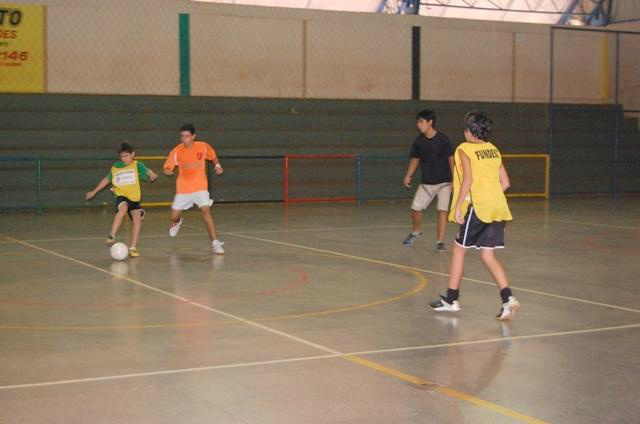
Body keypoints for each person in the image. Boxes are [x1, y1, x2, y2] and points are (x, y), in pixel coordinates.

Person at [430, 111, 520, 320]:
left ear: (470, 132)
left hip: (478, 208)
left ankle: (452, 299)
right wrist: (491, 195)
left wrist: (460, 206)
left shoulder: (464, 149)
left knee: (459, 250)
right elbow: (506, 183)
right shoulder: (493, 150)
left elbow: (468, 180)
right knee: (487, 255)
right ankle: (508, 298)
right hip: (498, 208)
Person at [85, 142, 158, 257]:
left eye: (127, 156)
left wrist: (152, 174)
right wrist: (94, 191)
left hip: (134, 197)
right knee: (123, 209)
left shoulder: (137, 165)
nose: (124, 159)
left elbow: (148, 170)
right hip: (120, 195)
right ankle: (112, 235)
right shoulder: (116, 167)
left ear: (133, 154)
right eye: (122, 156)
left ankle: (133, 248)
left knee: (137, 219)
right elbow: (106, 180)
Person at [163, 124, 225, 255]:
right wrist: (168, 171)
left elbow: (213, 156)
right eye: (182, 136)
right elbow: (167, 167)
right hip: (183, 188)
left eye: (187, 136)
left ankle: (215, 243)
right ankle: (177, 222)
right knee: (173, 216)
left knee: (206, 211)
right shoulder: (176, 151)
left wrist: (217, 165)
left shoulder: (202, 147)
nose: (184, 139)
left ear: (193, 136)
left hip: (200, 186)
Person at [403, 109, 454, 252]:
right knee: (415, 208)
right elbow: (415, 159)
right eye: (418, 122)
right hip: (427, 183)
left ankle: (440, 242)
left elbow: (451, 159)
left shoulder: (443, 139)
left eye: (421, 122)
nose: (419, 125)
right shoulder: (419, 141)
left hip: (444, 182)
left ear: (430, 122)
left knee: (442, 210)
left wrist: (455, 179)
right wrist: (408, 175)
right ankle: (416, 230)